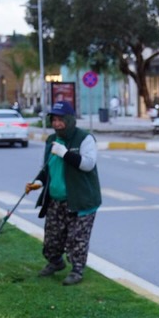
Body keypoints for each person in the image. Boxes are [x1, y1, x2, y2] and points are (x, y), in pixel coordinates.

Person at [25, 101, 101, 285]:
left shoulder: (84, 139)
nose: (57, 124)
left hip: (81, 200)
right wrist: (37, 182)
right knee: (52, 238)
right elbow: (47, 168)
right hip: (56, 200)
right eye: (54, 120)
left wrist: (65, 153)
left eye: (61, 120)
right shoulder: (51, 141)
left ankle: (77, 270)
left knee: (77, 239)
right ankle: (55, 262)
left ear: (69, 120)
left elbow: (88, 164)